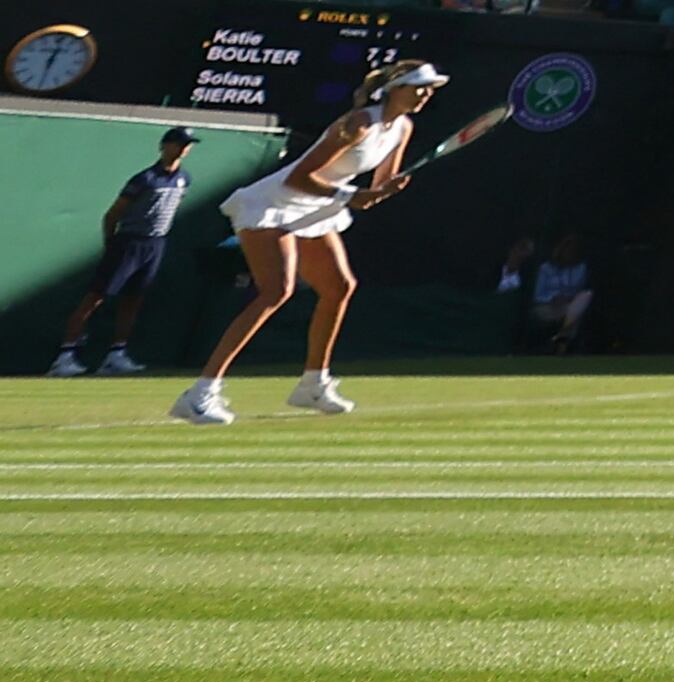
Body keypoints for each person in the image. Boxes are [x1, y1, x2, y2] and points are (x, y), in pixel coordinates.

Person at [174, 58, 444, 424]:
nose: (426, 94)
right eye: (419, 87)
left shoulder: (402, 129)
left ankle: (312, 384)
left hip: (318, 207)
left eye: (429, 89)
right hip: (273, 203)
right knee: (275, 292)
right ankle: (200, 393)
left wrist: (385, 191)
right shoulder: (357, 123)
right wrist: (351, 196)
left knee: (339, 287)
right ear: (395, 89)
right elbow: (299, 178)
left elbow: (378, 186)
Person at [49, 123, 196, 377]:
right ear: (165, 146)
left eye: (188, 145)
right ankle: (64, 357)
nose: (184, 149)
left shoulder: (184, 179)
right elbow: (112, 215)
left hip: (155, 244)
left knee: (133, 300)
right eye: (179, 143)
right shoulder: (144, 179)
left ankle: (116, 355)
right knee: (95, 298)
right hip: (128, 242)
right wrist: (112, 245)